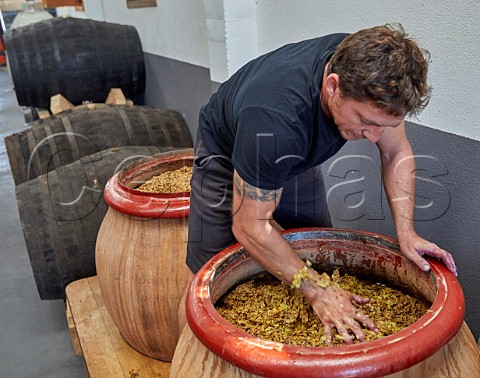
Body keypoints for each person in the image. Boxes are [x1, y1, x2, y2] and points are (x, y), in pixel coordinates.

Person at [178, 23, 457, 344]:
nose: (374, 137)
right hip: (226, 149)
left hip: (287, 148)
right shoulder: (275, 122)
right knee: (212, 269)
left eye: (386, 124)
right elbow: (249, 228)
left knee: (314, 244)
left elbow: (395, 152)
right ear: (332, 86)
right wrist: (316, 290)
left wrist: (407, 234)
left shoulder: (374, 76)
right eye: (366, 122)